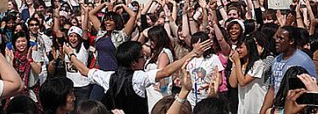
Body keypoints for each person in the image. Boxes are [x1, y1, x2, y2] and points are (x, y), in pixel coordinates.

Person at [65, 39, 212, 114]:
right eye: (142, 57)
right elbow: (166, 72)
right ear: (134, 62)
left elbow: (84, 70)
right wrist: (193, 53)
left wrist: (70, 53)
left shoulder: (107, 76)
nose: (144, 60)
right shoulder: (139, 78)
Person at [259, 25, 317, 114]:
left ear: (291, 41)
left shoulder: (303, 60)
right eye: (276, 38)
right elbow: (272, 89)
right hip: (278, 109)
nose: (276, 41)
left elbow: (313, 89)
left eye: (281, 38)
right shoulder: (276, 60)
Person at [229, 36, 267, 114]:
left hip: (256, 105)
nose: (238, 50)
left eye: (241, 47)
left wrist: (237, 62)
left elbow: (243, 82)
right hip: (243, 104)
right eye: (237, 48)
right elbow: (233, 84)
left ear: (249, 48)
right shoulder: (239, 65)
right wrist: (234, 64)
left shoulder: (258, 64)